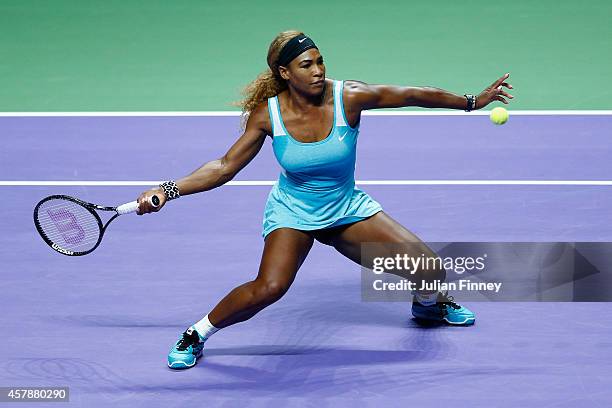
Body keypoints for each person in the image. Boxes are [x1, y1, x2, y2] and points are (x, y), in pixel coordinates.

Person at [136, 30, 514, 369]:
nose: (318, 70)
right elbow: (223, 166)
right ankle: (197, 333)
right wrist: (168, 190)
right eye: (306, 64)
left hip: (345, 208)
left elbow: (411, 94)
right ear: (285, 73)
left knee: (430, 269)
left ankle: (428, 306)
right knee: (270, 287)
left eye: (320, 61)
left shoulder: (348, 97)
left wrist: (471, 101)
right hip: (294, 212)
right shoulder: (267, 115)